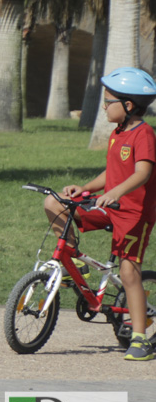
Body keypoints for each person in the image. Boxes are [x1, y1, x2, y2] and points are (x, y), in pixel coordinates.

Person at [45, 67, 156, 361]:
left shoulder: (144, 133)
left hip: (134, 213)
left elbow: (142, 172)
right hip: (108, 206)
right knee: (54, 205)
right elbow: (112, 173)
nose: (104, 106)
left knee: (129, 271)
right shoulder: (116, 134)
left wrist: (117, 193)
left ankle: (141, 338)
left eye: (109, 101)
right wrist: (84, 188)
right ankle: (75, 264)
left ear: (128, 105)